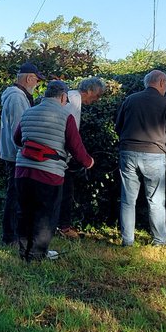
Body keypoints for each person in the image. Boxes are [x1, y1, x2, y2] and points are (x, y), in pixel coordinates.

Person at [12, 80, 94, 262]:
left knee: (25, 212)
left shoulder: (28, 112)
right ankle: (37, 254)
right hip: (48, 173)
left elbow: (17, 139)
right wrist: (89, 162)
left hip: (23, 170)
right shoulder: (66, 116)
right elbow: (76, 147)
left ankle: (24, 251)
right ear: (63, 96)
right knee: (45, 215)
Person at [115, 69, 166, 246]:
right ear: (161, 83)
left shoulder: (130, 100)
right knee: (156, 200)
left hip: (128, 152)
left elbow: (118, 126)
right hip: (154, 154)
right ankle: (159, 240)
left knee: (128, 200)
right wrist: (165, 145)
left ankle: (127, 240)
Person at [57, 76, 106, 237]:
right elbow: (70, 134)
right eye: (97, 95)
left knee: (64, 191)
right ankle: (63, 227)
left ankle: (62, 226)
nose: (97, 99)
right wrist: (82, 158)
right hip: (60, 156)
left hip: (60, 155)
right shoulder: (73, 102)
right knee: (65, 192)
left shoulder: (72, 98)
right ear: (89, 90)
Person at [0, 61, 41, 245]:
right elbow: (19, 128)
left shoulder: (18, 95)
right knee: (15, 196)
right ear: (29, 78)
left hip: (15, 152)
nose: (37, 84)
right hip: (17, 154)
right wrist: (24, 152)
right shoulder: (17, 97)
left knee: (16, 194)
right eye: (37, 80)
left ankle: (13, 235)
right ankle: (10, 236)